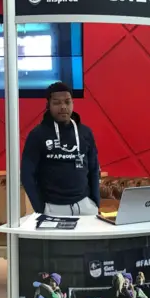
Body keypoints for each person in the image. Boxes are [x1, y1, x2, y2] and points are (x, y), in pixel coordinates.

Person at [21, 82, 100, 216]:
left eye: (67, 102)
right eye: (57, 103)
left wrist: (95, 202)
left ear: (72, 103)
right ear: (48, 105)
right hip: (53, 207)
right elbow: (27, 174)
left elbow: (94, 169)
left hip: (85, 205)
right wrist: (40, 208)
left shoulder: (85, 133)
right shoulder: (37, 135)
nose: (63, 107)